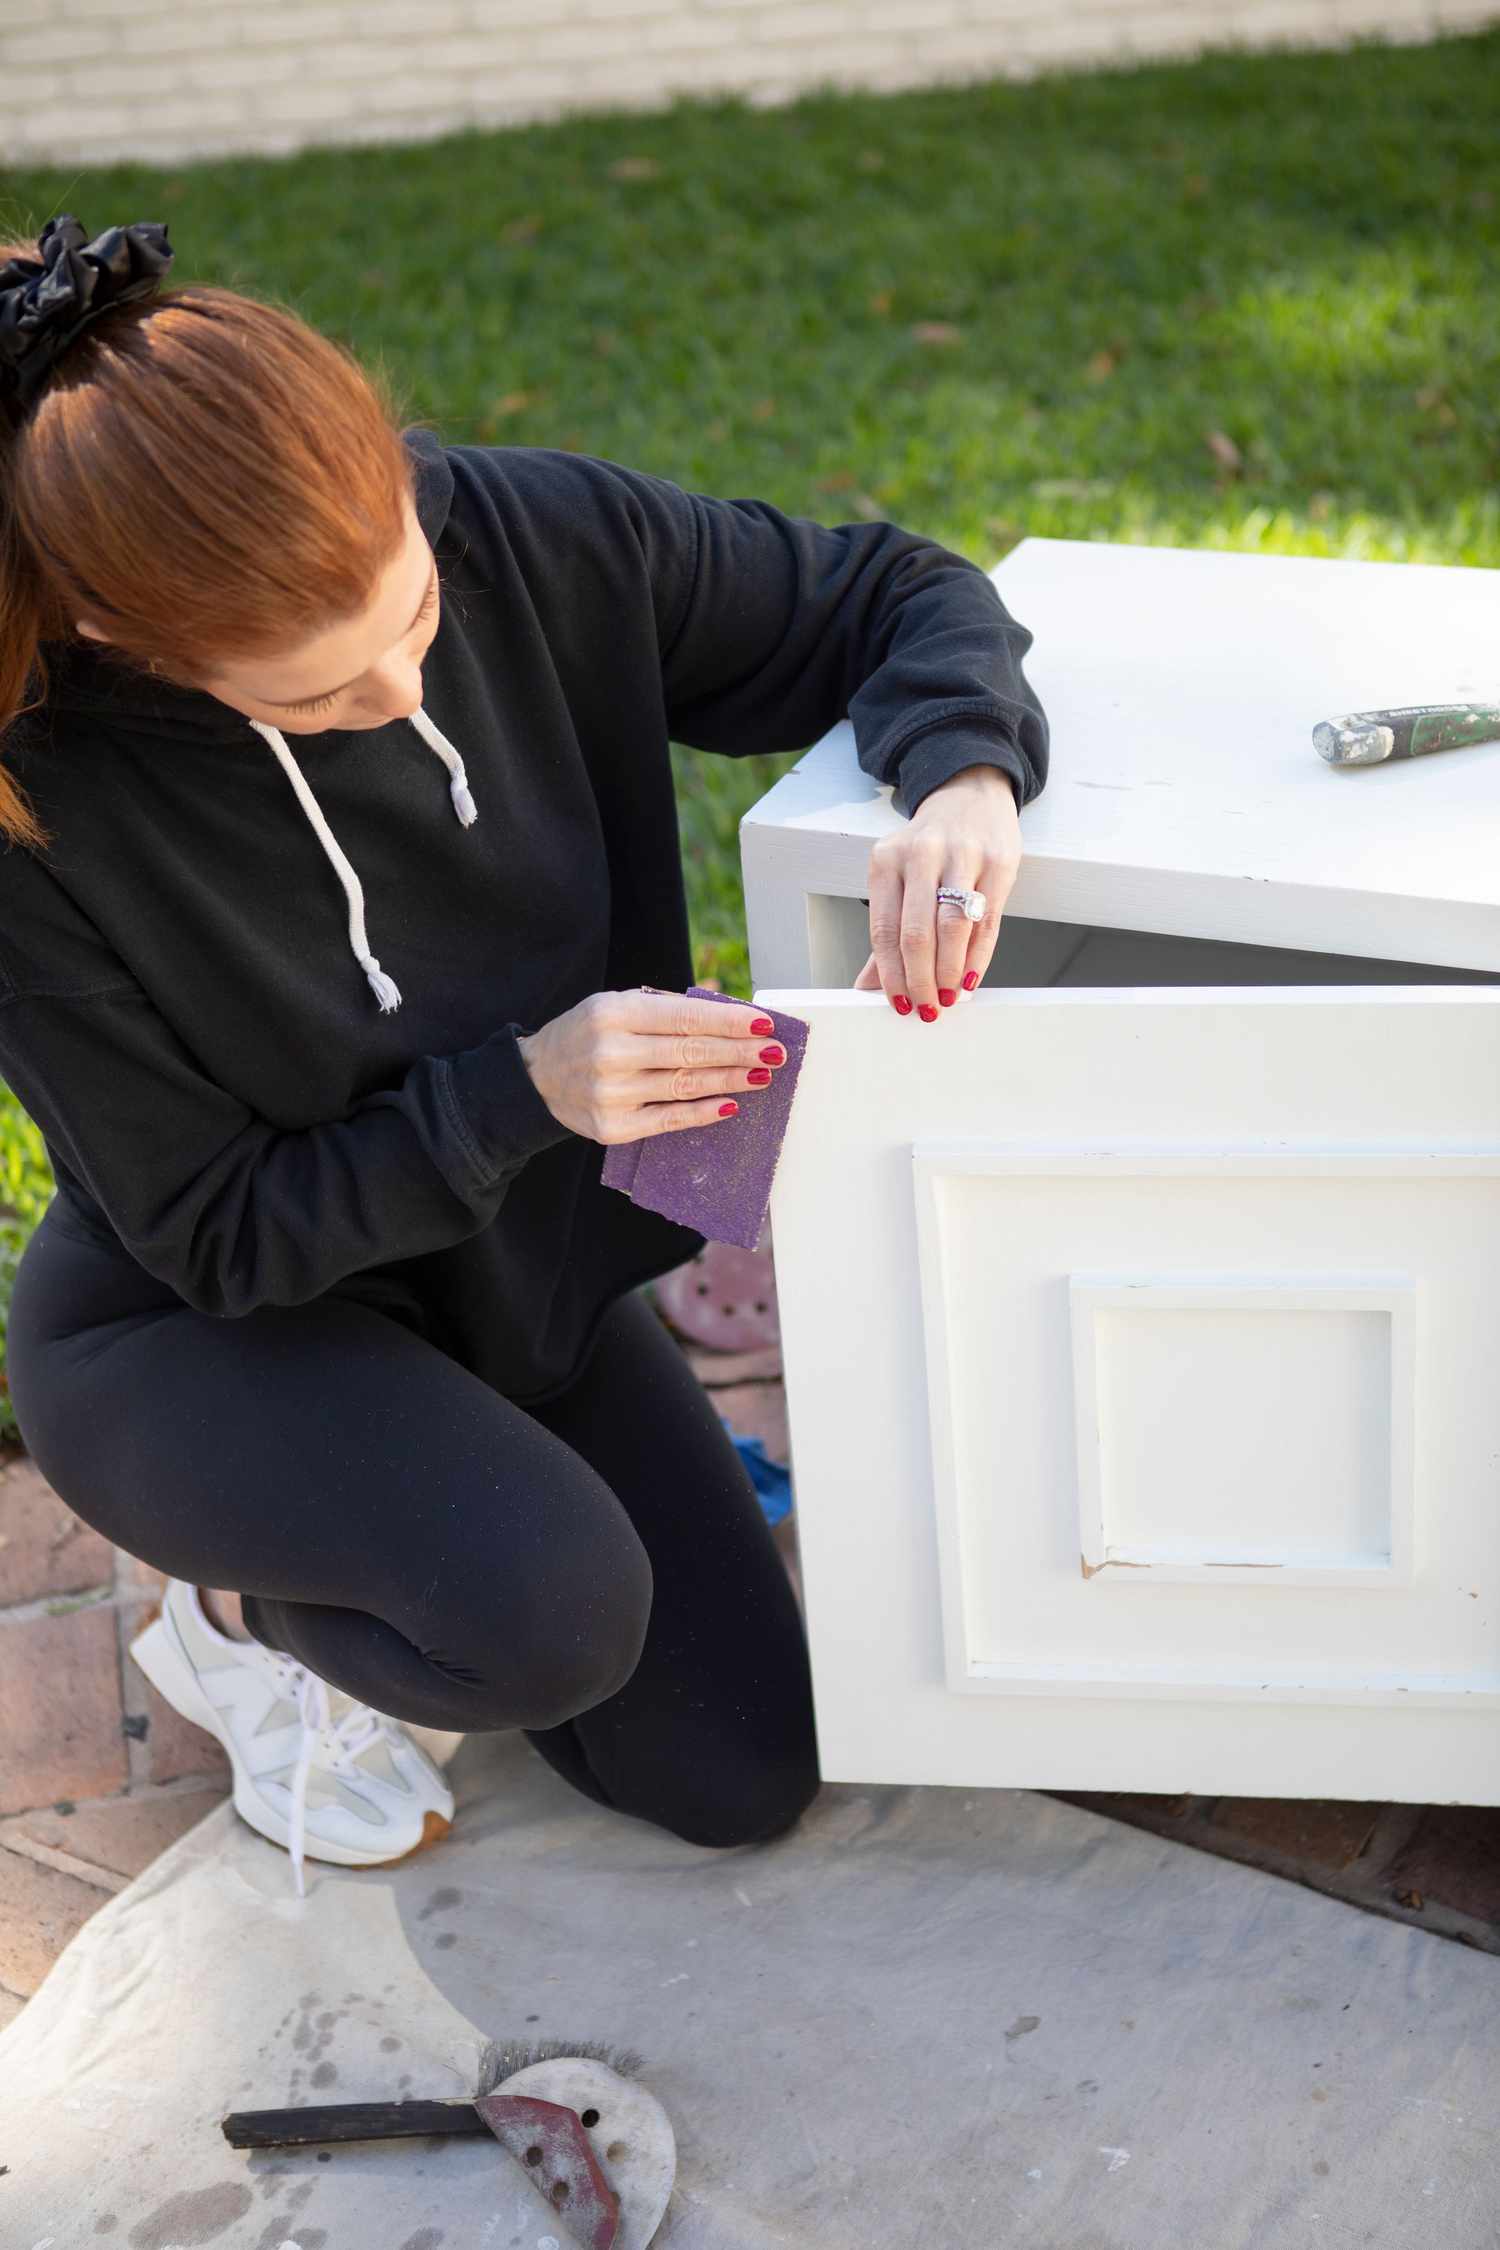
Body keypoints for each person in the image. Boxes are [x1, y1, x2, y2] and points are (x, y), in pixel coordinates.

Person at [0, 215, 1049, 1899]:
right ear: (141, 641)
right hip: (209, 1325)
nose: (410, 677)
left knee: (740, 1771)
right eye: (332, 697)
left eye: (412, 610)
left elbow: (892, 591)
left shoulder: (519, 533)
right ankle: (224, 1610)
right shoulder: (39, 809)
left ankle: (445, 1494)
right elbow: (215, 1229)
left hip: (514, 1282)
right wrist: (525, 1096)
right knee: (552, 1613)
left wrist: (963, 776)